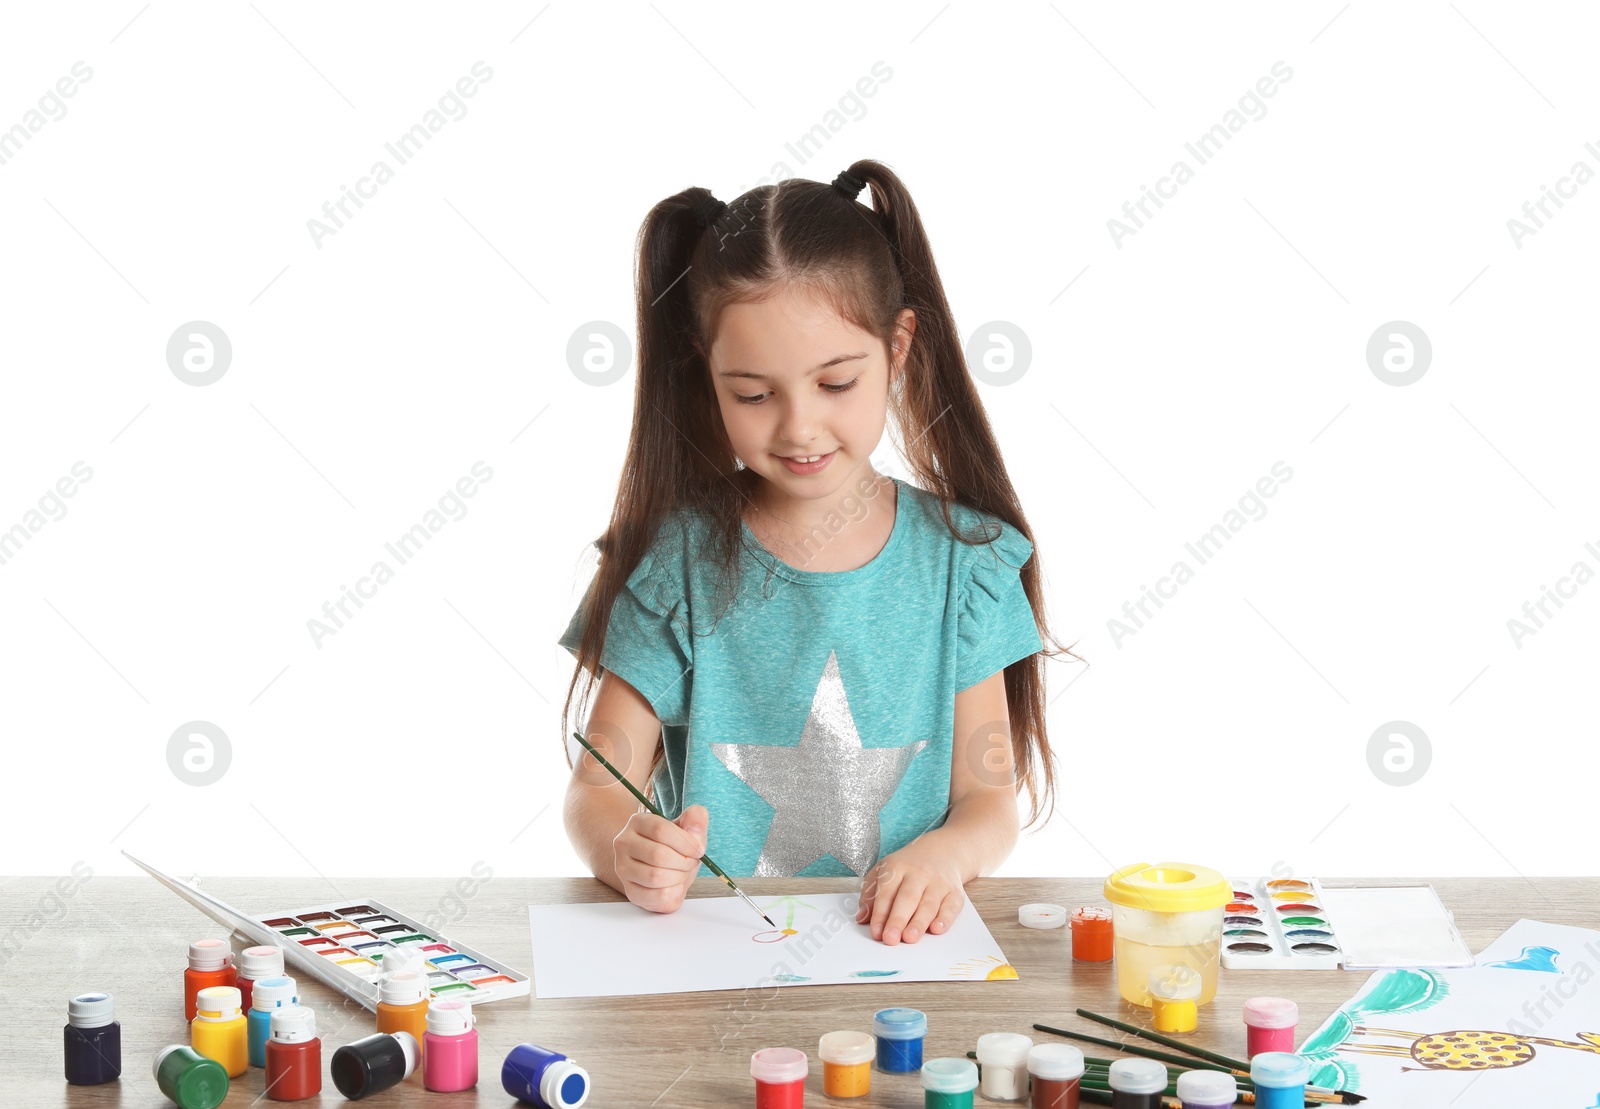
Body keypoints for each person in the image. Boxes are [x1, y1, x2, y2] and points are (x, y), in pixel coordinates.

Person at [559, 159, 1076, 946]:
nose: (799, 427)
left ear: (898, 347)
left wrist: (943, 855)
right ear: (708, 377)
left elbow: (988, 799)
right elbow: (597, 788)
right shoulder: (676, 567)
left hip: (901, 965)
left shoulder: (960, 568)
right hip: (714, 968)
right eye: (754, 394)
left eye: (836, 382)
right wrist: (625, 847)